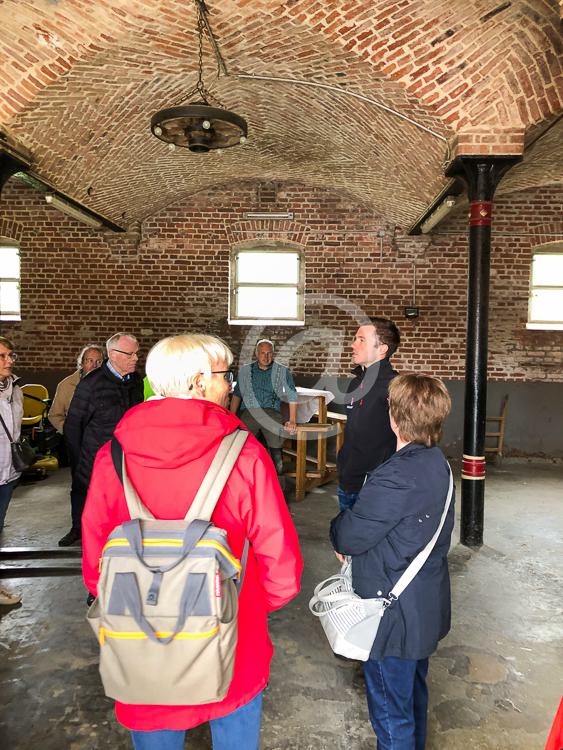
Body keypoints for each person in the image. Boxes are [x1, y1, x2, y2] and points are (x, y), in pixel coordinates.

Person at [81, 333, 303, 750]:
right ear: (199, 381)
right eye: (225, 376)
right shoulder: (245, 453)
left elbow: (95, 557)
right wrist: (251, 603)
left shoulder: (113, 454)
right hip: (230, 633)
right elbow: (281, 563)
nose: (229, 385)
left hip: (141, 634)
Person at [330, 373, 454, 750]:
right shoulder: (436, 463)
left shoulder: (397, 476)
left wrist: (338, 528)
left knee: (390, 714)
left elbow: (350, 535)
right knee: (412, 698)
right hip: (422, 607)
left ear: (394, 418)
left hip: (393, 618)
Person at [60, 332, 143, 546]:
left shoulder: (135, 381)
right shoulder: (91, 384)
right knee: (83, 491)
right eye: (130, 354)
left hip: (124, 455)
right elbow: (73, 425)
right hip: (93, 456)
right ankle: (77, 529)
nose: (135, 358)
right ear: (113, 354)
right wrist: (79, 460)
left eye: (136, 354)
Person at [336, 317, 401, 512]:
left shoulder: (394, 387)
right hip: (348, 478)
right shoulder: (356, 382)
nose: (352, 344)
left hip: (374, 486)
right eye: (355, 338)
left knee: (368, 541)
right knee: (345, 539)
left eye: (361, 339)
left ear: (382, 349)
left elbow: (406, 440)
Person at [229, 339, 298, 475]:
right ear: (256, 353)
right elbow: (237, 395)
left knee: (276, 450)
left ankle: (277, 485)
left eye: (269, 353)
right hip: (248, 413)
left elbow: (292, 395)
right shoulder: (245, 371)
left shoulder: (282, 371)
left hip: (271, 413)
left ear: (273, 354)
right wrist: (232, 418)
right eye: (262, 353)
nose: (266, 357)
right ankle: (244, 481)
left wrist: (293, 420)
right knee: (241, 447)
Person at [0, 336, 23, 605]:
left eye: (10, 355)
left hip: (8, 474)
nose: (9, 360)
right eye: (3, 356)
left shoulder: (14, 389)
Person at [48, 344, 104, 433]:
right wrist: (69, 432)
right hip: (76, 439)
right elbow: (55, 416)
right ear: (82, 363)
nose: (94, 366)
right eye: (90, 361)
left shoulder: (110, 385)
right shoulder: (66, 385)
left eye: (99, 361)